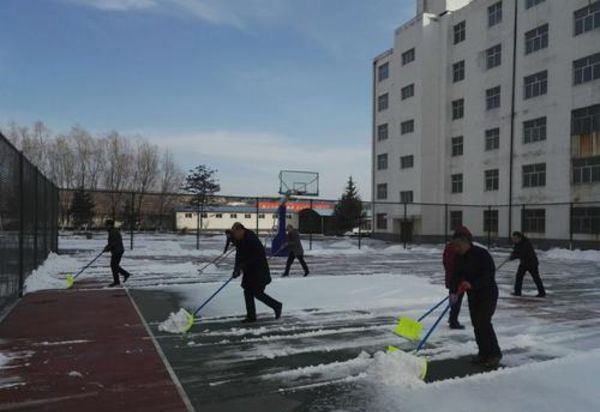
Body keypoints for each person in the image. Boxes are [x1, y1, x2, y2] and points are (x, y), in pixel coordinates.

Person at [450, 233, 502, 369]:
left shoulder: (482, 254)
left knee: (484, 323)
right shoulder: (459, 257)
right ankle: (483, 353)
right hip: (473, 296)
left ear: (466, 243)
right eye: (454, 246)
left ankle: (494, 355)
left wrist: (473, 284)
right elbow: (456, 275)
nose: (456, 249)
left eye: (458, 245)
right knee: (477, 324)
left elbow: (489, 275)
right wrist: (454, 291)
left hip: (487, 294)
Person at [230, 222, 282, 323]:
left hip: (259, 270)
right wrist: (236, 269)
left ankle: (276, 306)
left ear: (241, 230)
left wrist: (242, 265)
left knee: (257, 293)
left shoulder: (251, 239)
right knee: (247, 292)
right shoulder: (241, 240)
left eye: (235, 233)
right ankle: (251, 316)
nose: (234, 236)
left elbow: (257, 256)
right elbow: (239, 255)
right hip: (249, 271)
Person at [443, 226, 473, 330]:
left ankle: (452, 318)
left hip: (452, 278)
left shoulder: (449, 246)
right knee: (456, 300)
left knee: (454, 299)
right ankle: (453, 320)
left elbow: (445, 262)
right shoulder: (459, 248)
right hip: (458, 280)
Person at [510, 231, 546, 297]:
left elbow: (522, 253)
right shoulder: (517, 243)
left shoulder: (526, 243)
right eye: (513, 239)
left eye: (515, 238)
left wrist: (513, 257)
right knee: (519, 277)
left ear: (519, 238)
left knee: (536, 278)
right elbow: (515, 251)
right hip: (524, 263)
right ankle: (517, 292)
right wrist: (512, 255)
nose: (514, 240)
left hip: (532, 263)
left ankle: (542, 293)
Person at [103, 219, 132, 287]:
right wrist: (107, 248)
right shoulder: (112, 231)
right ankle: (122, 276)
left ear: (110, 225)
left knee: (114, 265)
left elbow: (113, 242)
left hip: (117, 251)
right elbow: (112, 243)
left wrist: (106, 248)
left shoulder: (113, 232)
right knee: (114, 265)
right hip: (117, 250)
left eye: (106, 225)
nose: (105, 226)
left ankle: (119, 279)